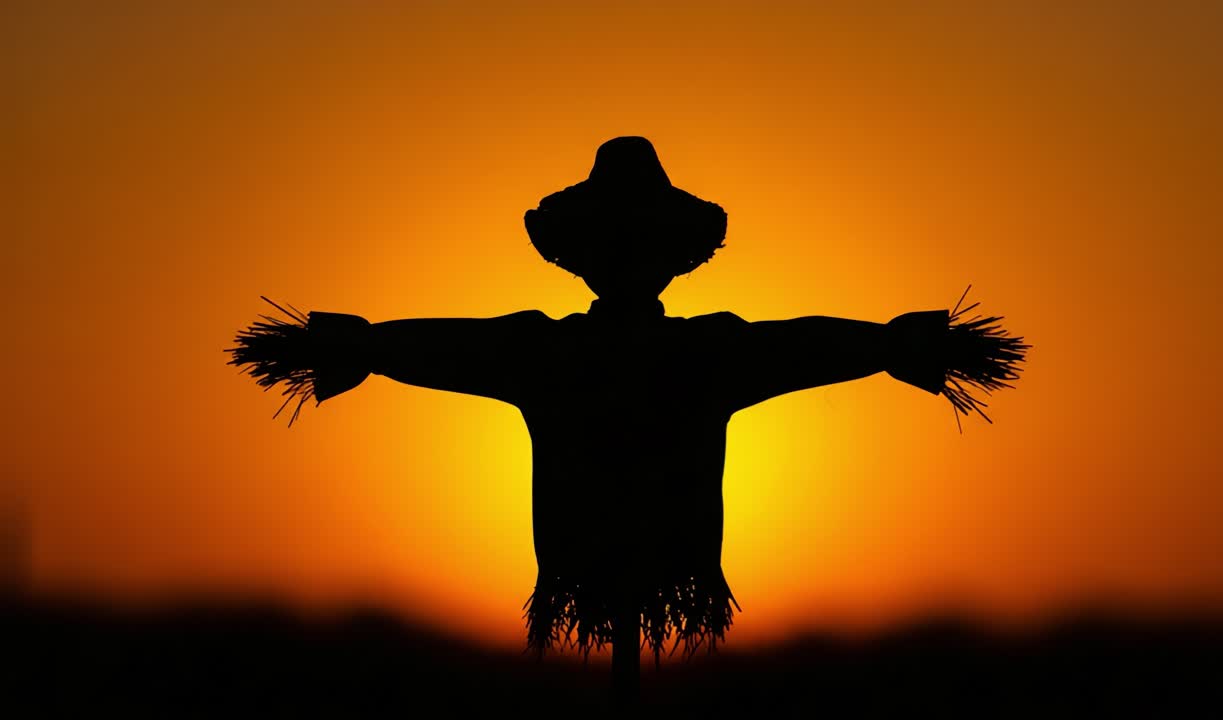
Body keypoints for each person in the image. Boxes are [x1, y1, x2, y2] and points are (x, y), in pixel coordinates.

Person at [249, 137, 983, 701]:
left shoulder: (551, 351)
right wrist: (899, 345)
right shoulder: (699, 351)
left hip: (604, 567)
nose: (628, 258)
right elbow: (807, 345)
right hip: (646, 568)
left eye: (638, 243)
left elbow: (431, 347)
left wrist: (358, 346)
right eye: (618, 243)